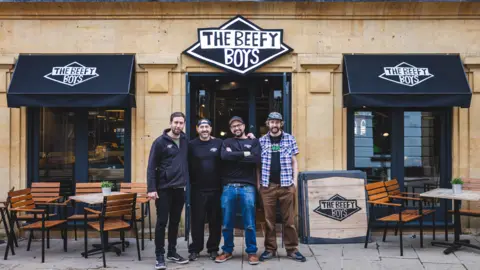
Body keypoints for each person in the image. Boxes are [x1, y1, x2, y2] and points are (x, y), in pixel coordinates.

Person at [258, 112, 306, 262]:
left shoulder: (290, 139)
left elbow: (294, 162)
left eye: (277, 122)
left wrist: (295, 182)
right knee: (269, 220)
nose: (274, 125)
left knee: (289, 220)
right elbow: (257, 166)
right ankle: (270, 249)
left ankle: (292, 249)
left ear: (281, 124)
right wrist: (258, 184)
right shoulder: (261, 141)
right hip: (268, 186)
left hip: (286, 185)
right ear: (268, 124)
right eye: (272, 122)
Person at [215, 116, 261, 265]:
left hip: (248, 187)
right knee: (227, 222)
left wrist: (234, 155)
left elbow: (256, 159)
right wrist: (244, 154)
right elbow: (224, 156)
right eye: (233, 126)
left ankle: (252, 252)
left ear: (244, 126)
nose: (236, 128)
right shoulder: (226, 142)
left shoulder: (253, 141)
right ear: (230, 129)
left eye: (239, 125)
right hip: (229, 187)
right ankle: (227, 250)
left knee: (249, 222)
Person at [147, 112, 189, 270]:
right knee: (161, 222)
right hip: (164, 189)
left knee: (175, 222)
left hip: (179, 188)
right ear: (170, 123)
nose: (178, 126)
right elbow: (151, 167)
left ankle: (172, 252)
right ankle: (159, 255)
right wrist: (151, 188)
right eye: (176, 122)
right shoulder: (160, 142)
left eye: (181, 123)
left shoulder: (185, 140)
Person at [187, 119, 223, 261]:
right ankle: (195, 249)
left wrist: (250, 137)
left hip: (216, 189)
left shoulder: (219, 143)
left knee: (215, 221)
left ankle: (213, 249)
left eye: (206, 126)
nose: (204, 129)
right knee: (197, 221)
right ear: (197, 129)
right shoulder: (191, 145)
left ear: (211, 128)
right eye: (201, 127)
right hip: (197, 190)